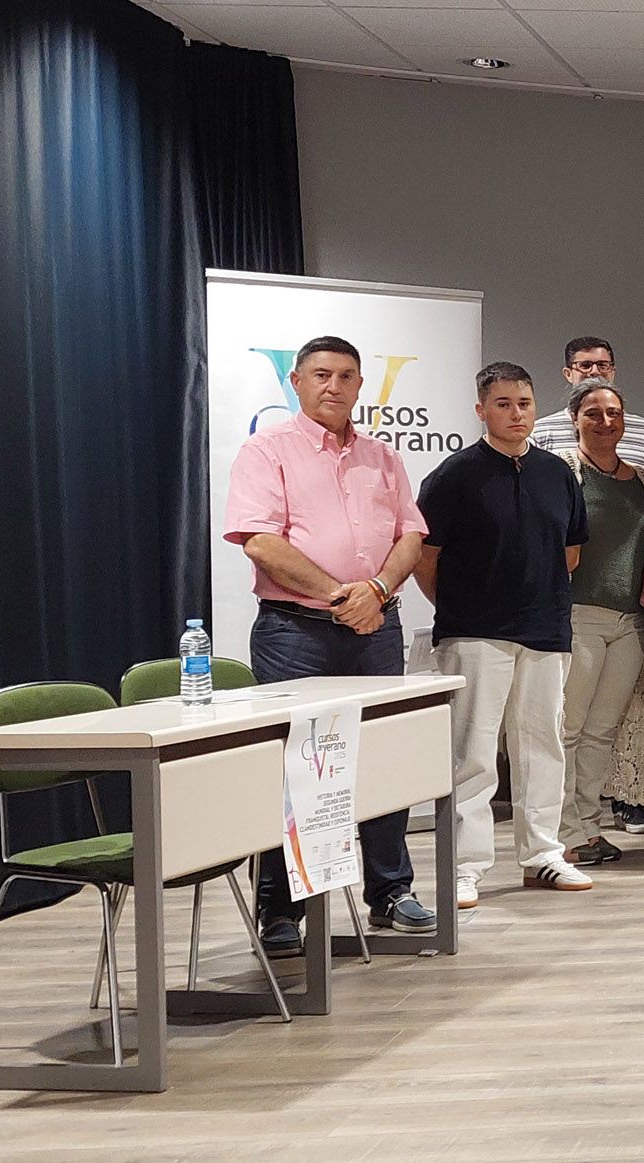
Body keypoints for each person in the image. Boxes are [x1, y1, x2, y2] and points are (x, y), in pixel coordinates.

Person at [224, 336, 436, 955]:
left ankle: (392, 893)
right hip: (297, 633)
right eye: (321, 374)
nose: (333, 386)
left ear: (360, 384)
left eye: (346, 376)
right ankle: (282, 912)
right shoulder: (267, 451)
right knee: (296, 770)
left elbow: (411, 536)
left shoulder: (382, 458)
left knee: (383, 760)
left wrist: (375, 590)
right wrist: (343, 596)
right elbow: (261, 542)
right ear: (296, 380)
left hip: (375, 630)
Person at [416, 362, 590, 907]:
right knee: (472, 751)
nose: (516, 414)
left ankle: (542, 855)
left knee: (543, 744)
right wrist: (462, 608)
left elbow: (571, 551)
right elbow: (426, 558)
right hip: (474, 633)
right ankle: (465, 866)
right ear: (481, 410)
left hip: (545, 629)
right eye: (503, 404)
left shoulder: (558, 473)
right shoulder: (454, 476)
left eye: (524, 403)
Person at [530, 336, 644, 834]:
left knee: (603, 732)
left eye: (613, 413)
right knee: (567, 730)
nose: (606, 422)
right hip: (578, 616)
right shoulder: (566, 469)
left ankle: (589, 827)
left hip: (630, 621)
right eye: (593, 413)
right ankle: (561, 833)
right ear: (575, 419)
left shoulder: (642, 478)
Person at [531, 336, 644, 470]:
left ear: (612, 372)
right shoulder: (541, 432)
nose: (595, 372)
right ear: (568, 374)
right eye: (585, 366)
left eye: (602, 365)